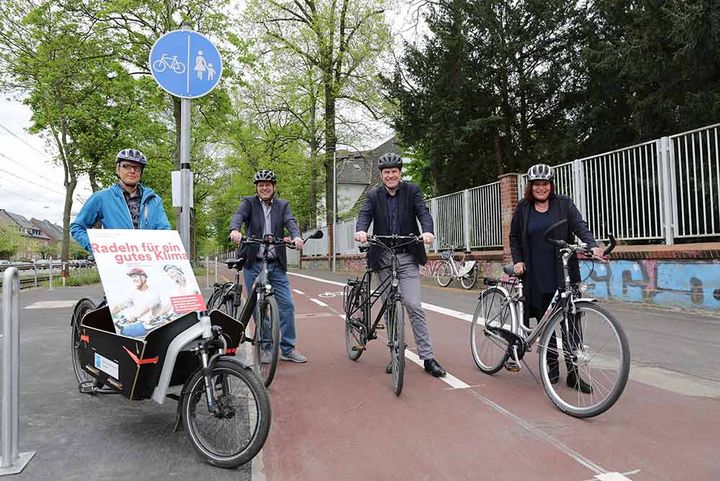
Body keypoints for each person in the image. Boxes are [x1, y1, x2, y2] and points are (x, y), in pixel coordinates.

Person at [509, 163, 605, 393]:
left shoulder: (564, 204)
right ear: (530, 187)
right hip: (536, 272)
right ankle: (551, 367)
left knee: (571, 322)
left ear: (551, 185)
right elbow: (514, 237)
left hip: (564, 270)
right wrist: (518, 261)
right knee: (545, 321)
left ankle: (574, 373)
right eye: (536, 184)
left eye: (545, 184)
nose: (541, 188)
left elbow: (581, 227)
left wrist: (593, 246)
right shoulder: (524, 208)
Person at [354, 152, 447, 378]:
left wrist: (427, 231)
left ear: (400, 173)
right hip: (383, 257)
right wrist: (360, 230)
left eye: (394, 171)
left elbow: (423, 213)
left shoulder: (412, 191)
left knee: (413, 304)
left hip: (407, 256)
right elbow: (365, 215)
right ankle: (396, 353)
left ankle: (428, 357)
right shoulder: (374, 194)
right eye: (386, 172)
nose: (390, 175)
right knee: (389, 306)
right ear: (381, 175)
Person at [229, 169, 307, 363]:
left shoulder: (283, 205)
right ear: (256, 187)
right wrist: (235, 230)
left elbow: (291, 222)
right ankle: (266, 346)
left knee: (287, 305)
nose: (265, 187)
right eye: (261, 185)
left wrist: (296, 236)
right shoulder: (248, 203)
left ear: (274, 187)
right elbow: (238, 216)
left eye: (268, 184)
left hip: (276, 264)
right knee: (258, 307)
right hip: (253, 263)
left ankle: (288, 349)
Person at [70, 148, 171, 252]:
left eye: (137, 167)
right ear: (117, 169)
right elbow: (77, 227)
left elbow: (164, 231)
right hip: (117, 262)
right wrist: (98, 248)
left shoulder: (154, 200)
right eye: (126, 166)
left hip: (148, 259)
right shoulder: (102, 197)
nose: (132, 171)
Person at [110, 267, 165, 336]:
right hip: (142, 324)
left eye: (135, 276)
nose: (134, 279)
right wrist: (111, 313)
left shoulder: (153, 292)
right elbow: (123, 304)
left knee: (124, 334)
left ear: (143, 278)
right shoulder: (134, 293)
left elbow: (146, 307)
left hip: (154, 325)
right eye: (132, 277)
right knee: (119, 331)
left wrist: (134, 316)